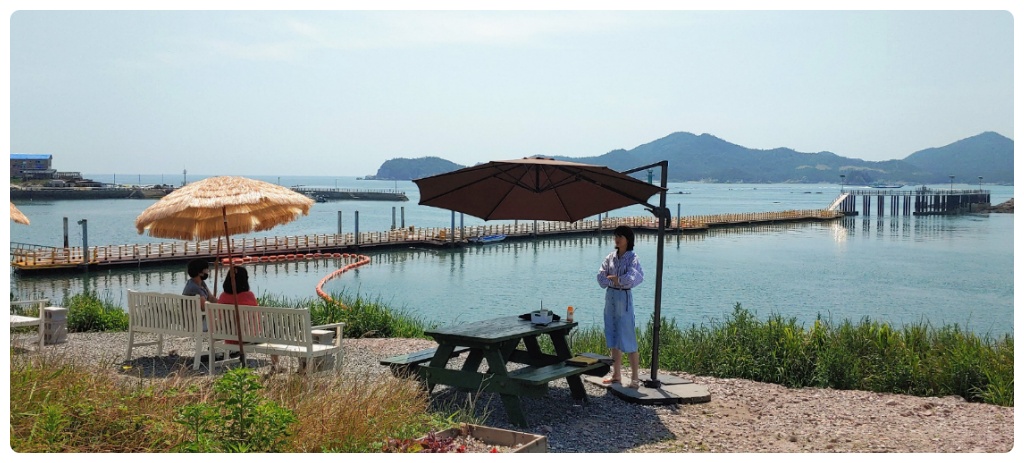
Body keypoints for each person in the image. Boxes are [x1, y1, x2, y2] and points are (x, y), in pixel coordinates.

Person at [596, 225, 644, 389]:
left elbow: (633, 278)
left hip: (624, 297)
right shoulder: (610, 257)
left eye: (620, 236)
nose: (617, 239)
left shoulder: (633, 258)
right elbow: (600, 277)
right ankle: (616, 374)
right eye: (616, 236)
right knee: (613, 333)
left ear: (627, 239)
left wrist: (617, 279)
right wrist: (615, 280)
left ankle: (635, 378)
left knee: (627, 335)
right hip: (610, 296)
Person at [217, 266, 279, 370]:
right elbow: (256, 317)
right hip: (247, 338)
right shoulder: (249, 296)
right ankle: (276, 366)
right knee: (271, 336)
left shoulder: (222, 296)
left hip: (229, 338)